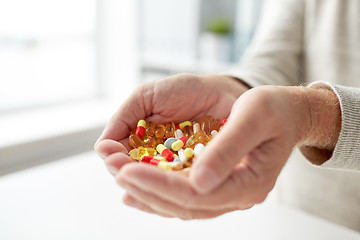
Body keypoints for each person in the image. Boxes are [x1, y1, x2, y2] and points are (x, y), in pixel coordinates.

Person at [94, 0, 360, 231]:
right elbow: (274, 57)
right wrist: (237, 88)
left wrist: (314, 116)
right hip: (294, 217)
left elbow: (303, 111)